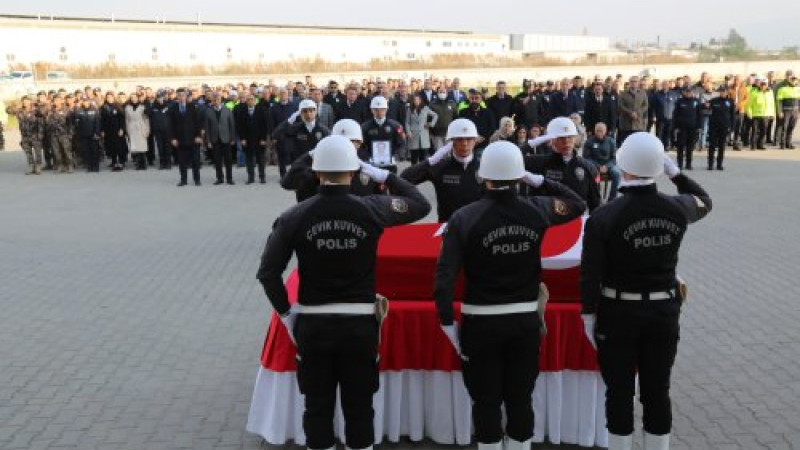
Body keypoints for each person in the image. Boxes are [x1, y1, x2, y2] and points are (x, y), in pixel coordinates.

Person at [256, 135, 431, 450]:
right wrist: (383, 174)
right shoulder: (372, 208)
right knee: (360, 407)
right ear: (353, 171)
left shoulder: (294, 216)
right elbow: (420, 204)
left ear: (316, 172)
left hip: (313, 325)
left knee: (317, 407)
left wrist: (287, 315)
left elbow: (268, 274)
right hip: (359, 326)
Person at [435, 141, 586, 450]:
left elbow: (444, 277)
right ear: (519, 176)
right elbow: (577, 203)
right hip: (524, 320)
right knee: (520, 399)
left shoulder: (464, 217)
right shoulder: (538, 209)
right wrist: (539, 180)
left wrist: (447, 323)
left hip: (481, 322)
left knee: (486, 401)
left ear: (482, 175)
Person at [580, 132, 712, 450]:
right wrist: (675, 172)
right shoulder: (677, 207)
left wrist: (588, 316)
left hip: (618, 313)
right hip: (663, 311)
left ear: (621, 164)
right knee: (657, 389)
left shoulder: (604, 216)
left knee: (620, 391)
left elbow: (590, 275)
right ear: (657, 166)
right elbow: (705, 201)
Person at [282, 119, 386, 202]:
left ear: (359, 143)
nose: (345, 146)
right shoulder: (319, 170)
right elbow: (288, 183)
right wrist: (310, 156)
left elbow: (382, 201)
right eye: (341, 142)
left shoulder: (368, 170)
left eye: (351, 142)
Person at [401, 118, 483, 222]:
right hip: (448, 228)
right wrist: (429, 161)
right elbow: (404, 179)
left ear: (475, 141)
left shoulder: (484, 167)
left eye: (469, 139)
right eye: (459, 139)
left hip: (476, 228)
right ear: (451, 141)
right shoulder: (440, 166)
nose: (465, 143)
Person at [525, 117, 601, 212]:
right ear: (551, 139)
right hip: (546, 221)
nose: (566, 142)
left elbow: (595, 203)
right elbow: (507, 159)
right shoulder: (539, 162)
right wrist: (531, 143)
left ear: (575, 138)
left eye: (570, 137)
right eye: (561, 138)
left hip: (575, 221)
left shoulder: (588, 167)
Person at [169, 89, 205, 186]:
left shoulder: (193, 107)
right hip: (180, 140)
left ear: (186, 96)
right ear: (177, 96)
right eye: (179, 95)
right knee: (182, 162)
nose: (181, 97)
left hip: (193, 139)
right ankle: (183, 180)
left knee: (195, 162)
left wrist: (198, 136)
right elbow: (171, 125)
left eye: (183, 95)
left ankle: (197, 179)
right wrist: (173, 138)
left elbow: (198, 123)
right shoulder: (173, 109)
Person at [360, 96, 405, 167]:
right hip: (372, 165)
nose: (379, 112)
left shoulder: (396, 126)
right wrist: (367, 158)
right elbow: (360, 146)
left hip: (390, 164)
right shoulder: (365, 127)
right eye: (376, 110)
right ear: (371, 110)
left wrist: (396, 157)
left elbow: (401, 143)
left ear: (386, 109)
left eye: (382, 109)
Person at [204, 92, 237, 184]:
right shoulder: (208, 111)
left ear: (220, 100)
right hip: (215, 140)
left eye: (217, 99)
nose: (216, 101)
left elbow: (232, 125)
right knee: (217, 161)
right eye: (214, 100)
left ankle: (229, 178)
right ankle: (219, 178)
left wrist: (232, 138)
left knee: (228, 161)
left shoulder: (227, 110)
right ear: (212, 101)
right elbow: (207, 127)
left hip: (226, 139)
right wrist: (208, 141)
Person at [583, 122, 620, 200]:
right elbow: (586, 157)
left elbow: (614, 158)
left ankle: (612, 198)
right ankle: (595, 198)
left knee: (617, 173)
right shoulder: (589, 141)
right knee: (595, 175)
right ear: (594, 131)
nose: (599, 133)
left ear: (605, 131)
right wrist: (599, 167)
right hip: (595, 165)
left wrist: (607, 166)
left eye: (601, 131)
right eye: (597, 131)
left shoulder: (611, 141)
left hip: (608, 165)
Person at [458, 89, 496, 155]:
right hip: (467, 144)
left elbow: (492, 127)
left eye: (476, 98)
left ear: (481, 100)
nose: (474, 100)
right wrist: (473, 138)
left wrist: (484, 137)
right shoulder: (463, 112)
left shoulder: (488, 112)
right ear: (469, 99)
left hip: (483, 144)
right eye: (472, 98)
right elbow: (460, 126)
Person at [15, 96, 46, 174]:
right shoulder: (20, 111)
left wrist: (40, 134)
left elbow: (42, 115)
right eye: (24, 101)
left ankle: (38, 165)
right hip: (25, 135)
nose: (26, 103)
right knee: (28, 152)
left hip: (35, 134)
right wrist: (16, 105)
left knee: (37, 151)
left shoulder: (36, 110)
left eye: (27, 101)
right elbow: (8, 110)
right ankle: (31, 165)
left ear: (30, 102)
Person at [672, 87, 701, 169]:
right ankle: (680, 164)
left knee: (690, 146)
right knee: (680, 146)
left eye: (690, 92)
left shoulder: (696, 101)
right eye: (687, 92)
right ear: (684, 92)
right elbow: (675, 115)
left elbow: (699, 115)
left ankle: (688, 164)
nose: (689, 93)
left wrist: (699, 126)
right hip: (681, 128)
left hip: (692, 127)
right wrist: (675, 127)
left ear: (692, 92)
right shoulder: (679, 101)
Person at [405, 93, 438, 164]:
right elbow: (407, 122)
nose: (416, 101)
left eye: (418, 100)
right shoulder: (410, 110)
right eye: (415, 100)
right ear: (413, 101)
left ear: (420, 100)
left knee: (423, 159)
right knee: (414, 158)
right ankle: (413, 173)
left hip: (424, 135)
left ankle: (422, 173)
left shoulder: (425, 108)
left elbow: (435, 115)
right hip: (413, 136)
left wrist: (431, 124)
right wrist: (408, 132)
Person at [707, 86, 735, 170]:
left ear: (727, 92)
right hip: (714, 126)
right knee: (712, 146)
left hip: (724, 126)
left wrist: (732, 127)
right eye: (721, 91)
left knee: (721, 146)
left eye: (724, 91)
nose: (723, 93)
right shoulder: (714, 101)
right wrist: (705, 105)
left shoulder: (730, 102)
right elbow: (705, 106)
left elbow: (732, 116)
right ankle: (710, 164)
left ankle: (719, 164)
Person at [46, 96, 75, 173]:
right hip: (54, 135)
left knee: (66, 151)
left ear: (61, 101)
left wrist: (70, 134)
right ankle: (60, 166)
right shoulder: (51, 111)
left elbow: (71, 124)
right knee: (56, 152)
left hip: (64, 134)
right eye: (55, 101)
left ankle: (70, 165)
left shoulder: (67, 110)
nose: (57, 102)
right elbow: (48, 122)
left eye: (58, 100)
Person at [73, 95, 102, 172]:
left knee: (94, 150)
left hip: (93, 134)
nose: (85, 102)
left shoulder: (94, 110)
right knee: (87, 151)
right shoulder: (79, 111)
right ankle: (89, 166)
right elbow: (76, 124)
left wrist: (97, 133)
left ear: (89, 101)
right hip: (84, 135)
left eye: (87, 101)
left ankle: (96, 167)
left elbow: (97, 123)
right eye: (84, 101)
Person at [101, 92, 128, 171]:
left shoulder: (118, 106)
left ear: (114, 97)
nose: (109, 98)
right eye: (108, 97)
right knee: (111, 147)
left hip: (118, 130)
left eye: (111, 97)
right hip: (108, 131)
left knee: (120, 147)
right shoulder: (103, 107)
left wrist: (122, 129)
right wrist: (102, 130)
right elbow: (102, 120)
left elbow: (122, 119)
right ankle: (114, 161)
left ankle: (121, 161)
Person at [617, 76, 648, 145]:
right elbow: (620, 106)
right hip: (626, 124)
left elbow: (645, 105)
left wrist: (638, 113)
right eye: (632, 81)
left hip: (638, 123)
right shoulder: (623, 93)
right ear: (629, 83)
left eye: (635, 81)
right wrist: (631, 113)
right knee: (626, 143)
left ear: (638, 83)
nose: (633, 83)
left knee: (638, 144)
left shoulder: (643, 93)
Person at [124, 93, 151, 171]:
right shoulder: (127, 108)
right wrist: (127, 129)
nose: (133, 99)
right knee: (136, 148)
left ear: (138, 98)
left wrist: (147, 130)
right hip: (132, 128)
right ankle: (138, 164)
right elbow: (127, 119)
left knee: (142, 147)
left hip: (141, 127)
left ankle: (143, 164)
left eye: (135, 97)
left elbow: (146, 119)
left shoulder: (143, 107)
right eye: (132, 97)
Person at [775, 71, 799, 149]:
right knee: (784, 127)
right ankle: (782, 144)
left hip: (795, 111)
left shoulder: (798, 89)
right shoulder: (782, 89)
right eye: (792, 79)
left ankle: (788, 143)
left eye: (794, 79)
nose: (793, 80)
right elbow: (779, 101)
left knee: (791, 127)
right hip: (786, 111)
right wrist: (780, 111)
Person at [429, 86, 458, 150]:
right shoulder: (432, 104)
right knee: (438, 152)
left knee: (448, 153)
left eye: (444, 92)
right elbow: (429, 118)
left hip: (449, 133)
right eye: (440, 92)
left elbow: (455, 118)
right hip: (436, 133)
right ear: (437, 93)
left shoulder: (452, 104)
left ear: (447, 93)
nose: (442, 93)